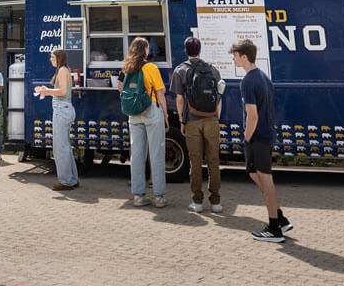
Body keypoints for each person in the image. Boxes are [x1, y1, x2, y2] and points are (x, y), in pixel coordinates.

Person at [232, 39, 292, 242]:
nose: (233, 59)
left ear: (244, 56)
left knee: (266, 181)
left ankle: (274, 228)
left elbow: (253, 115)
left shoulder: (248, 81)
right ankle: (280, 217)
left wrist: (247, 138)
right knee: (252, 173)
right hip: (265, 133)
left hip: (258, 136)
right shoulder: (263, 77)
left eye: (235, 56)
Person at [170, 36, 223, 213]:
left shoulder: (180, 70)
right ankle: (216, 202)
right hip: (211, 120)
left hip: (192, 121)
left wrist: (181, 120)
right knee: (213, 161)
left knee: (195, 161)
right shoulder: (213, 70)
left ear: (185, 50)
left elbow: (179, 99)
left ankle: (197, 202)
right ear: (200, 50)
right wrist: (216, 118)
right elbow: (219, 98)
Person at [120, 37, 168, 208]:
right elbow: (160, 92)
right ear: (146, 50)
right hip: (151, 111)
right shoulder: (151, 67)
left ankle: (139, 196)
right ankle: (159, 197)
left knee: (137, 155)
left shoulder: (127, 68)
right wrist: (166, 115)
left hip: (133, 114)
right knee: (156, 153)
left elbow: (122, 89)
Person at [33, 48, 77, 191]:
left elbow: (63, 91)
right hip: (64, 109)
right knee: (65, 146)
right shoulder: (63, 70)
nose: (51, 59)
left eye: (52, 57)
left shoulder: (63, 70)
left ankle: (65, 181)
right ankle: (72, 179)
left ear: (59, 57)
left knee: (60, 147)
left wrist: (46, 91)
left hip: (62, 110)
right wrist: (47, 90)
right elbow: (61, 91)